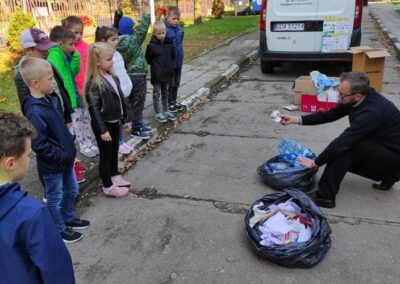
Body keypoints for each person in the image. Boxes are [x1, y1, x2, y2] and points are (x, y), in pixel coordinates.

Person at [280, 72, 400, 208]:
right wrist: (297, 119)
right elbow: (330, 115)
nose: (338, 96)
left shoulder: (371, 112)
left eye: (341, 94)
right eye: (339, 91)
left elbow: (343, 142)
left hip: (394, 156)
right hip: (383, 147)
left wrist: (315, 162)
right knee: (343, 148)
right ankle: (391, 175)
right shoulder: (354, 98)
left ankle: (325, 197)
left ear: (358, 95)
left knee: (344, 148)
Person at [0, 112, 76, 283]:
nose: (29, 159)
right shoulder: (31, 214)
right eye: (27, 155)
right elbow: (57, 272)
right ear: (10, 163)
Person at [21, 57, 90, 242]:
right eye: (50, 78)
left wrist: (69, 141)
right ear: (36, 83)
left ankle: (68, 218)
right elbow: (39, 144)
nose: (53, 82)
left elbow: (58, 127)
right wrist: (61, 154)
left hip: (65, 159)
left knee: (72, 190)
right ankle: (58, 228)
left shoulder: (51, 99)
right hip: (53, 165)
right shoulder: (35, 112)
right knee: (55, 197)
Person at [85, 42, 131, 198]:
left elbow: (121, 99)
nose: (112, 61)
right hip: (104, 125)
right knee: (105, 155)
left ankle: (114, 175)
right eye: (108, 59)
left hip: (114, 121)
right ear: (97, 61)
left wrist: (125, 119)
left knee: (114, 151)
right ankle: (108, 186)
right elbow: (94, 109)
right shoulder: (93, 84)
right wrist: (102, 129)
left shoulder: (111, 76)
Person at [48, 25, 99, 160]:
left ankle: (89, 143)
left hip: (77, 94)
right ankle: (83, 146)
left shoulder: (64, 55)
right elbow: (60, 79)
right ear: (60, 44)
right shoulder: (54, 55)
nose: (73, 47)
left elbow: (72, 72)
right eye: (71, 45)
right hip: (70, 99)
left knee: (85, 119)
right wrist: (68, 100)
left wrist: (75, 56)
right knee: (77, 123)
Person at [95, 26, 134, 155]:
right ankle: (119, 142)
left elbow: (122, 71)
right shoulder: (103, 58)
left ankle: (122, 140)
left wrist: (128, 83)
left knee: (122, 117)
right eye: (113, 39)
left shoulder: (117, 54)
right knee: (115, 120)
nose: (116, 42)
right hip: (114, 95)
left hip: (123, 91)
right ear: (102, 41)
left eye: (117, 39)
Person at [117, 6, 153, 140]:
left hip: (126, 76)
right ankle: (137, 129)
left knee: (129, 101)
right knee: (139, 102)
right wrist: (147, 16)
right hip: (138, 75)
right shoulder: (134, 39)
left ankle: (130, 123)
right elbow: (143, 29)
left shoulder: (117, 43)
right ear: (132, 28)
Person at [145, 20, 176, 123]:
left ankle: (166, 110)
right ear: (154, 34)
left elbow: (173, 56)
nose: (162, 35)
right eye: (159, 33)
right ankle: (158, 112)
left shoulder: (169, 43)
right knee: (156, 93)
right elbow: (148, 59)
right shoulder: (151, 46)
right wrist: (156, 66)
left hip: (167, 73)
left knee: (165, 92)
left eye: (163, 33)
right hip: (157, 74)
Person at [164, 6, 185, 113]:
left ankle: (174, 100)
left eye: (178, 19)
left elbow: (180, 42)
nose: (176, 21)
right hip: (170, 62)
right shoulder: (164, 30)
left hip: (178, 60)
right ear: (168, 17)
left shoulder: (180, 29)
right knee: (170, 84)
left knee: (176, 83)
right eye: (174, 19)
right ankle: (168, 103)